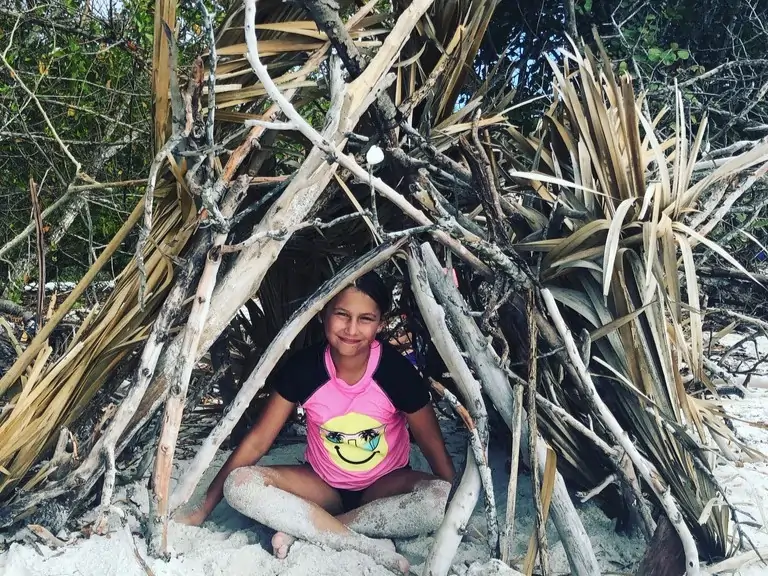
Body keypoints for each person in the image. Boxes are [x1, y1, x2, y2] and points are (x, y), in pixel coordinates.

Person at [177, 271, 455, 574]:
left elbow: (431, 443)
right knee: (240, 485)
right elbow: (258, 440)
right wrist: (203, 509)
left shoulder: (396, 374)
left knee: (436, 498)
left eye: (365, 319)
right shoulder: (304, 369)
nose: (351, 329)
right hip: (322, 488)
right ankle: (361, 544)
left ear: (381, 323)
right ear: (323, 314)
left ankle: (316, 529)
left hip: (383, 489)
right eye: (342, 315)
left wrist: (450, 503)